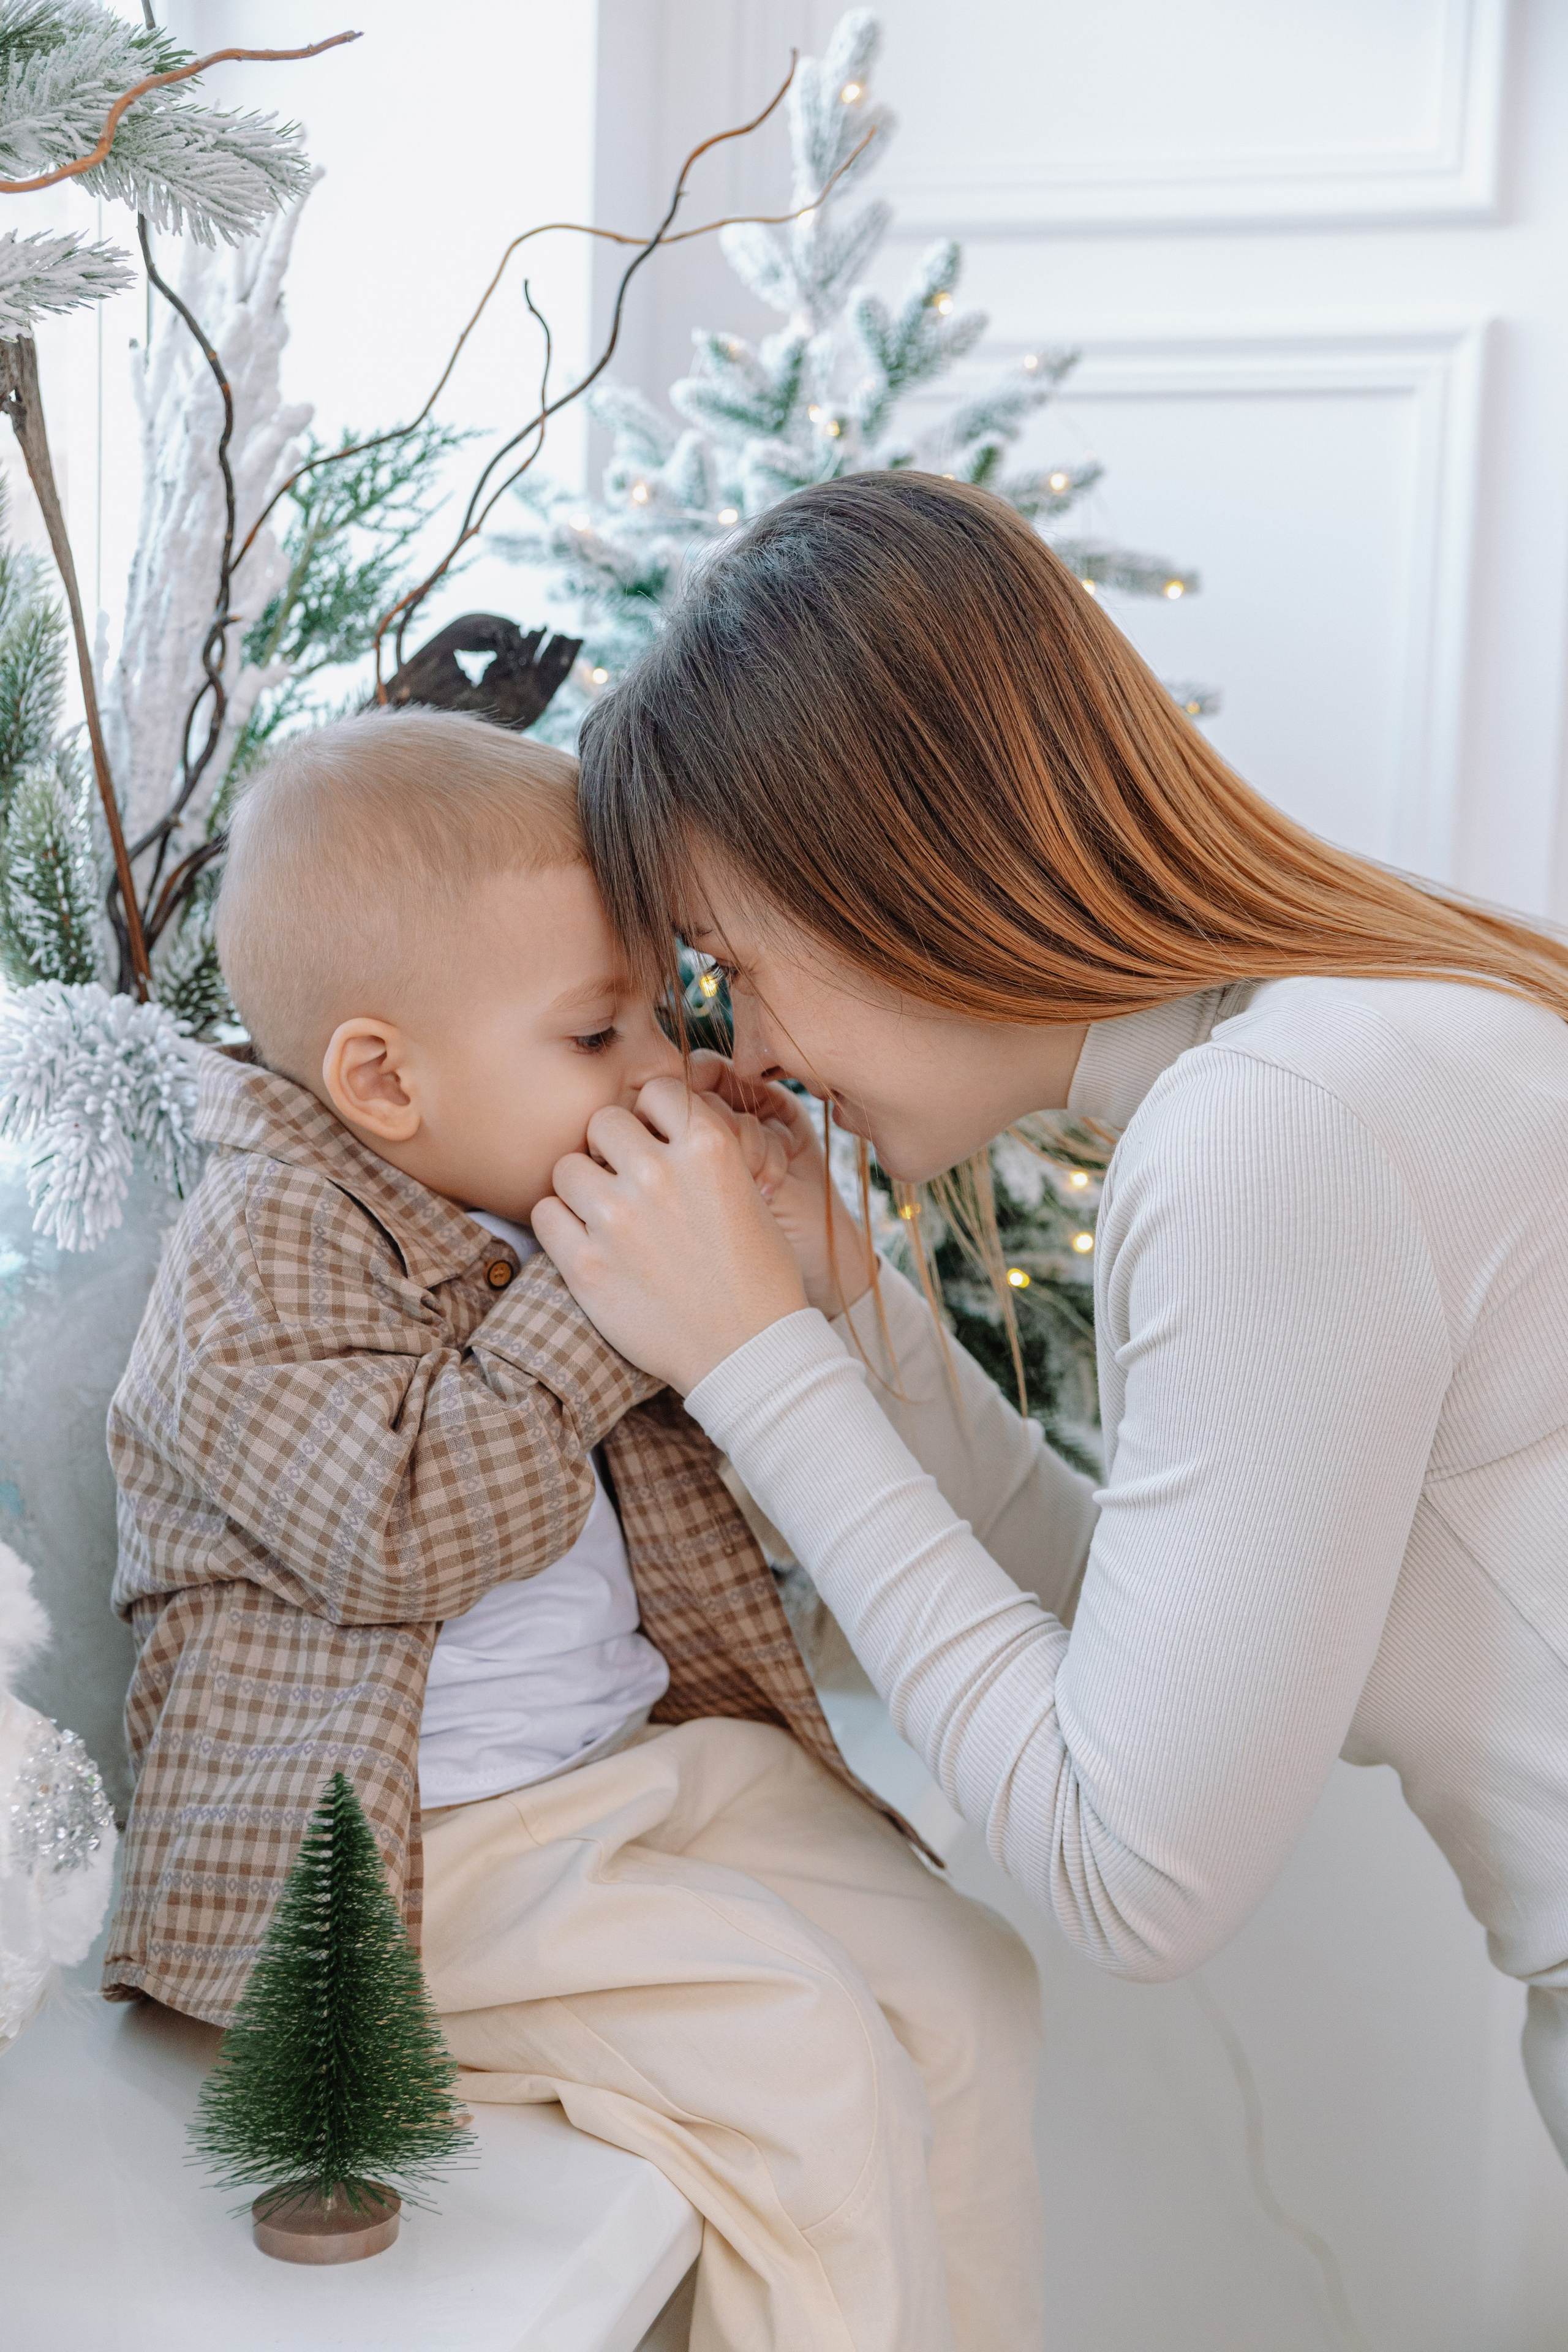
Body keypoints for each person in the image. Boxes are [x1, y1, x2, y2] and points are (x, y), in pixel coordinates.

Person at [533, 469, 1568, 2165]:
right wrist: (849, 1315)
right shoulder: (1345, 1034)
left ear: (884, 860)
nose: (756, 1050)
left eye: (733, 963)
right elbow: (1145, 1629)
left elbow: (1129, 1870)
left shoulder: (1273, 1131)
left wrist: (750, 1360)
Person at [103, 707, 1044, 2352]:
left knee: (970, 1987)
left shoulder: (523, 1195)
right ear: (385, 1079)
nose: (664, 1072)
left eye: (662, 1019)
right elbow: (394, 1528)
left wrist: (769, 1266)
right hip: (410, 1851)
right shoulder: (254, 1250)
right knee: (800, 2055)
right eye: (600, 1035)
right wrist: (616, 1302)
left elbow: (737, 1486)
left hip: (622, 1767)